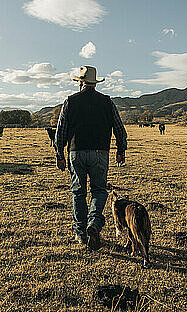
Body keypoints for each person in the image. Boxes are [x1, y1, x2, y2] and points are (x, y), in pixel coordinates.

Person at [55, 66, 127, 250]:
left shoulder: (70, 101)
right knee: (99, 191)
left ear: (80, 82)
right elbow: (119, 128)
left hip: (75, 152)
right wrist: (121, 150)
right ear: (95, 83)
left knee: (78, 192)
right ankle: (94, 223)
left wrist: (59, 154)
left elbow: (60, 131)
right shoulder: (107, 102)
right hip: (100, 153)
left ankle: (81, 234)